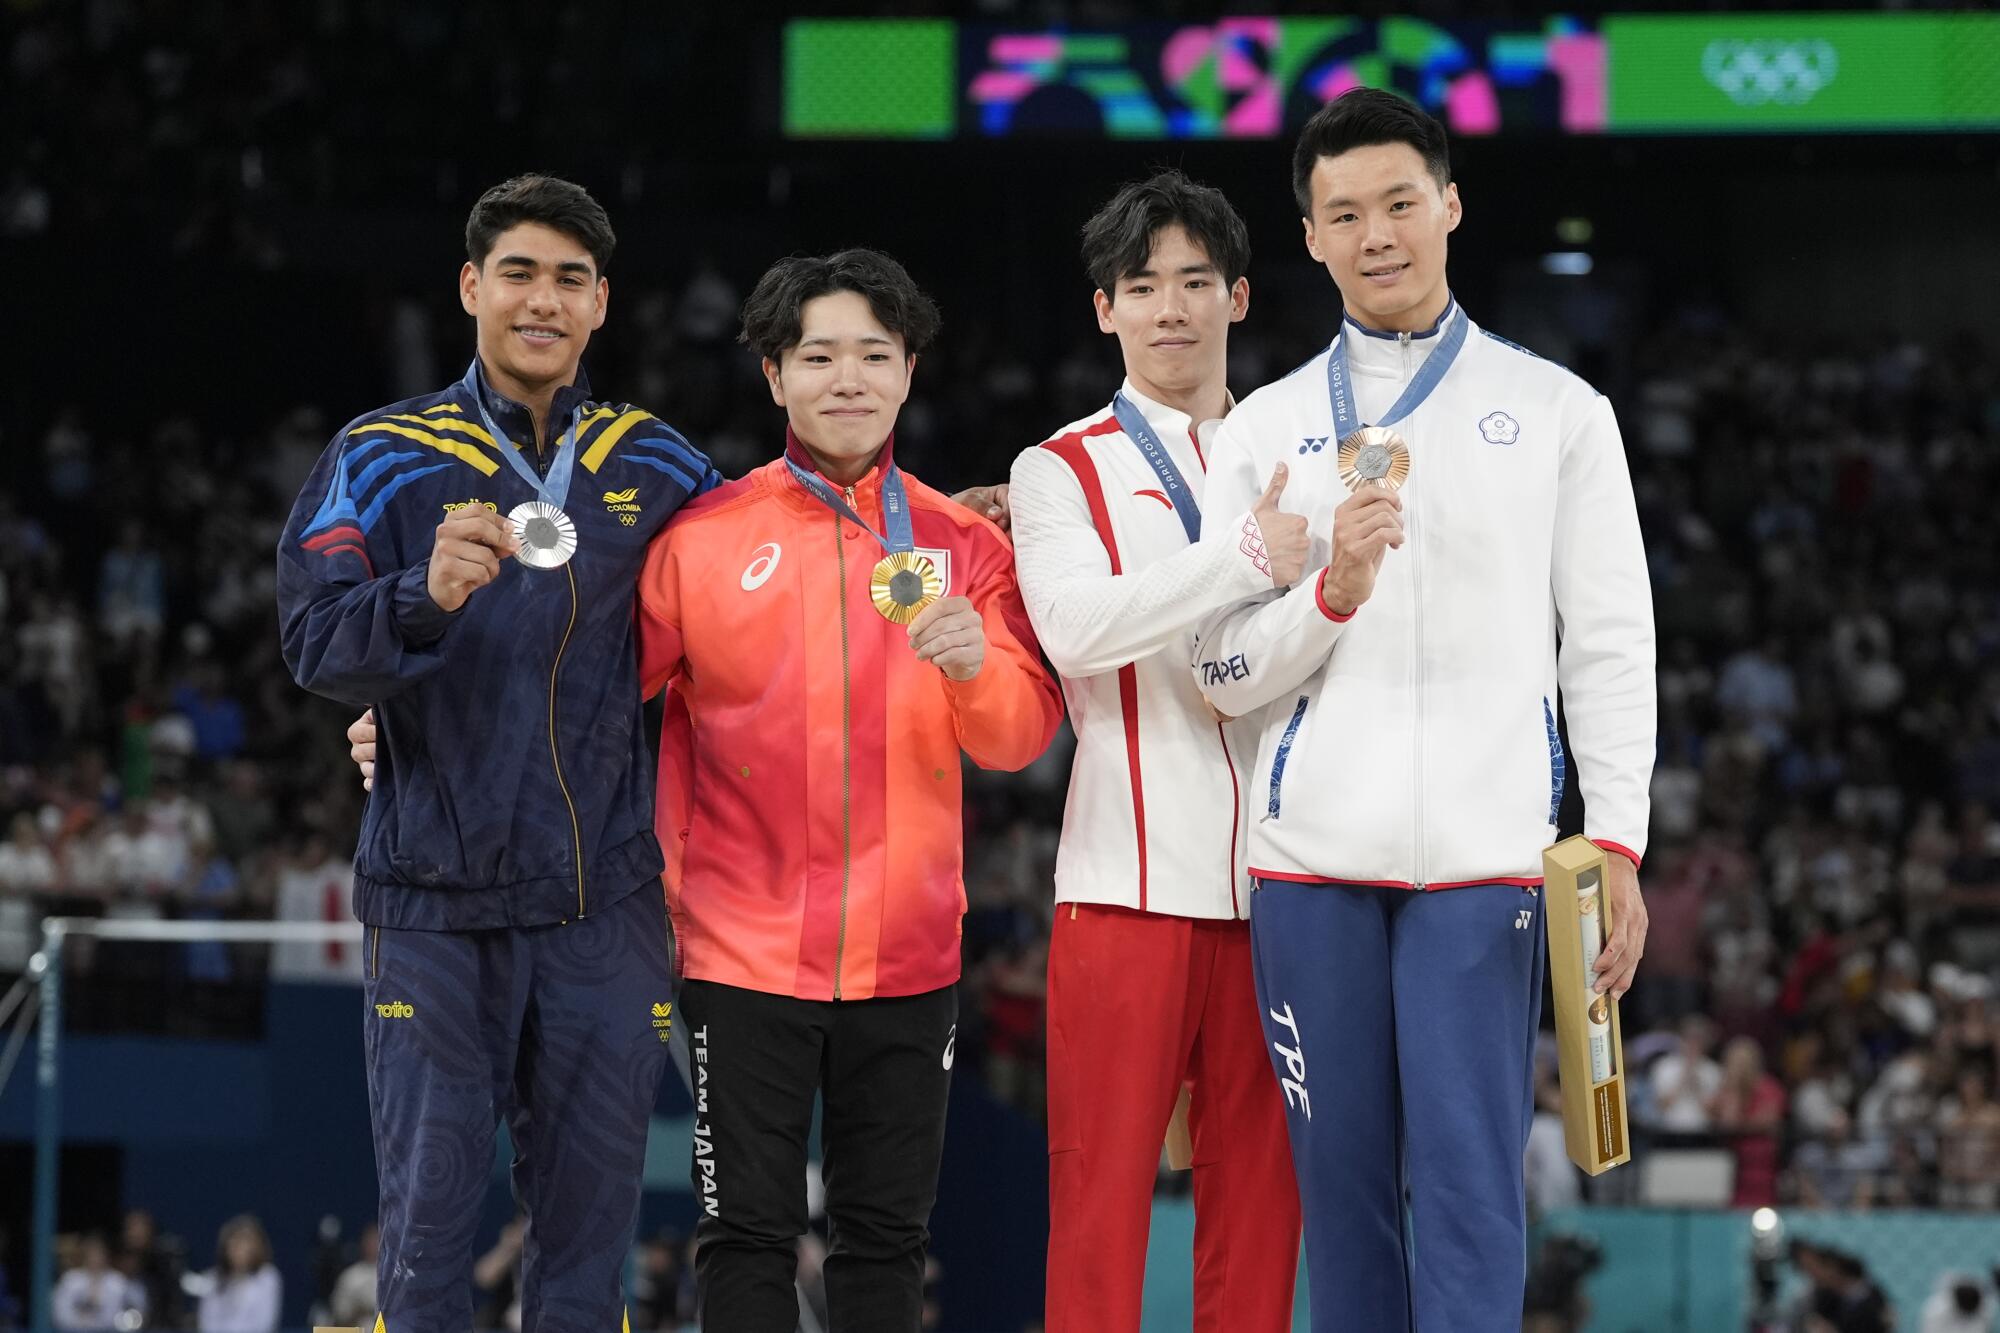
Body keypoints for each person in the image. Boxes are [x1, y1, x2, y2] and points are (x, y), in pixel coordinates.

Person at [1191, 88, 1654, 1330]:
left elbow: (1608, 641)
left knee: (1466, 1194)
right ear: (1308, 236)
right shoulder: (1267, 428)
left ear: (1448, 205)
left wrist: (1613, 838)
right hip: (1306, 867)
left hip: (1483, 863)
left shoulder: (1558, 412)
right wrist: (1325, 598)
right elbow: (1217, 670)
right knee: (1337, 1204)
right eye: (1344, 213)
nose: (1376, 233)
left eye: (1399, 202)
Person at [277, 174, 716, 1333]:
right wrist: (415, 601)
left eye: (570, 280)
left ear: (602, 304)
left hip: (600, 906)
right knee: (424, 1240)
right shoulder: (380, 455)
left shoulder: (662, 467)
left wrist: (927, 526)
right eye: (518, 273)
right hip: (433, 903)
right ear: (472, 287)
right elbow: (314, 643)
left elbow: (768, 594)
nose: (543, 301)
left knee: (587, 1249)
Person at [635, 248, 1062, 1329]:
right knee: (746, 1239)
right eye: (818, 355)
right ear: (773, 374)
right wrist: (406, 725)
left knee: (884, 1244)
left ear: (909, 370)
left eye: (873, 354)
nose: (847, 378)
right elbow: (589, 701)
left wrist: (975, 665)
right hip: (738, 953)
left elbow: (1017, 739)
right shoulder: (697, 540)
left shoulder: (967, 545)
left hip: (906, 954)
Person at [1006, 170, 1303, 1331]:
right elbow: (1077, 629)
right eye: (1143, 287)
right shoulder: (1058, 467)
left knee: (1261, 1202)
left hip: (1284, 887)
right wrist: (1241, 553)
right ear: (1104, 310)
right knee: (1098, 1200)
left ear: (1236, 296)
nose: (1170, 308)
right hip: (1122, 886)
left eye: (1193, 283)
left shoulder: (1295, 447)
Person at [195, 1216, 281, 1333]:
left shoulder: (268, 1277)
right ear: (226, 1248)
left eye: (245, 1245)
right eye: (235, 1245)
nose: (239, 1251)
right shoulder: (211, 1278)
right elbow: (207, 1323)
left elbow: (265, 1324)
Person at [51, 1234, 143, 1333]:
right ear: (84, 1255)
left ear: (106, 1256)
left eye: (99, 1254)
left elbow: (134, 1311)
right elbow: (61, 1314)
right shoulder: (71, 1280)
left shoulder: (117, 1281)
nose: (95, 1258)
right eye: (91, 1254)